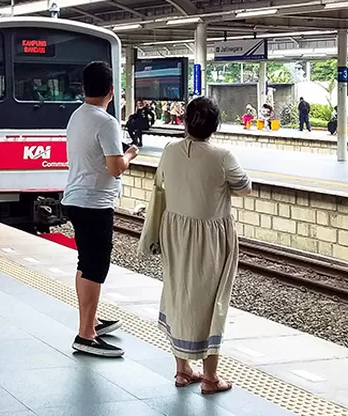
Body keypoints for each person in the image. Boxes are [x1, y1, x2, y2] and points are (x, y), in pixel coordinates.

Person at [155, 96, 251, 394]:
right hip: (211, 238)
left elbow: (161, 183)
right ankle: (210, 378)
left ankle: (183, 370)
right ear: (216, 125)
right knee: (212, 301)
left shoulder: (169, 151)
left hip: (174, 231)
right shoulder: (222, 156)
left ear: (185, 122)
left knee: (178, 292)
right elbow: (245, 188)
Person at [63, 61, 139, 357]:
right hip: (95, 202)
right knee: (96, 267)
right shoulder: (107, 122)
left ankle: (91, 320)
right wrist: (130, 153)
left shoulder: (77, 116)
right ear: (110, 90)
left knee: (85, 263)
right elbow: (115, 168)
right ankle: (86, 335)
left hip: (76, 198)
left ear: (83, 88)